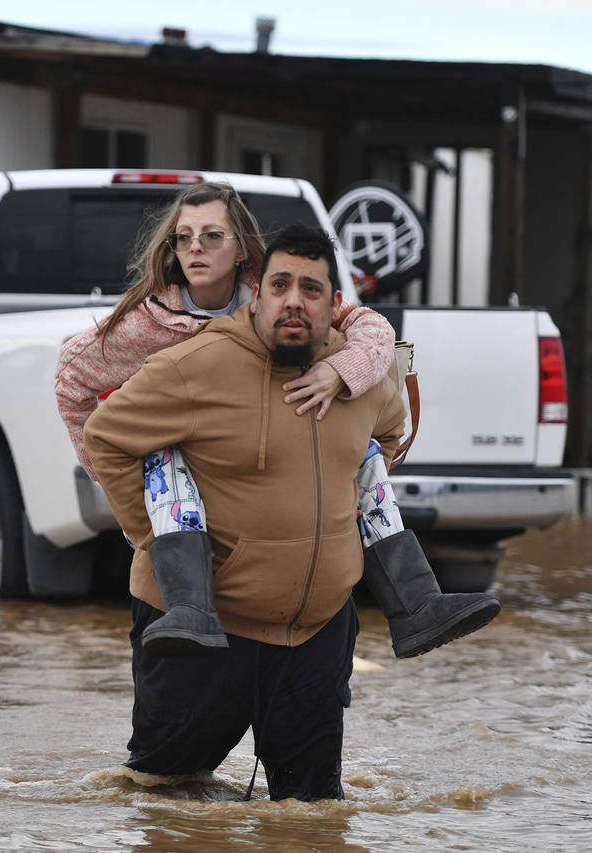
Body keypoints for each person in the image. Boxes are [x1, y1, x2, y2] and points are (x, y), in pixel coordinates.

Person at [55, 182, 498, 660]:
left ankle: (417, 606)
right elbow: (69, 379)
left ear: (242, 245)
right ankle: (191, 607)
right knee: (166, 454)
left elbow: (374, 328)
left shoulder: (278, 292)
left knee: (363, 455)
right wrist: (132, 506)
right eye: (183, 238)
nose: (195, 248)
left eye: (211, 236)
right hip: (184, 480)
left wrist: (340, 370)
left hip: (290, 460)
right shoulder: (148, 322)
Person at [82, 223, 410, 800]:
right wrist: (153, 540)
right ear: (256, 294)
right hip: (204, 634)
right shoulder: (196, 366)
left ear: (336, 306)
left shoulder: (358, 375)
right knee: (163, 803)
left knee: (309, 817)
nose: (293, 301)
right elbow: (105, 436)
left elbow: (388, 433)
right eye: (280, 284)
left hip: (317, 634)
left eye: (311, 290)